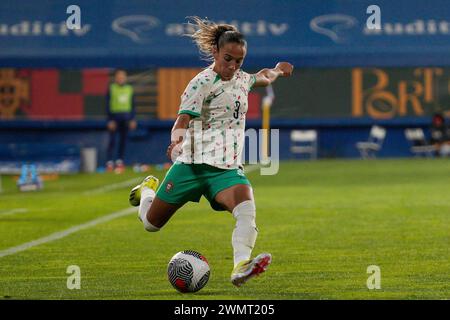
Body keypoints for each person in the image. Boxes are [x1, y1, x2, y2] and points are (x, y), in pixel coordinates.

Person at [129, 17, 293, 287]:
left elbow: (262, 77)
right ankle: (148, 189)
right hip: (192, 165)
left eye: (239, 61)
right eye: (228, 58)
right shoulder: (201, 83)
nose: (233, 66)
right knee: (150, 223)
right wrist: (178, 143)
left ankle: (241, 265)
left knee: (246, 209)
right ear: (216, 52)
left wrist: (277, 70)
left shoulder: (242, 79)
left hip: (226, 170)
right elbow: (181, 121)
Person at [106, 69, 137, 172]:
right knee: (112, 140)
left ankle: (120, 161)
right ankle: (109, 162)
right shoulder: (111, 88)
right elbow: (107, 104)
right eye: (119, 76)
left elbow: (132, 105)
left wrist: (132, 119)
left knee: (123, 140)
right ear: (115, 78)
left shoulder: (129, 89)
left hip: (126, 118)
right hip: (114, 117)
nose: (121, 78)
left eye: (122, 76)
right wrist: (110, 119)